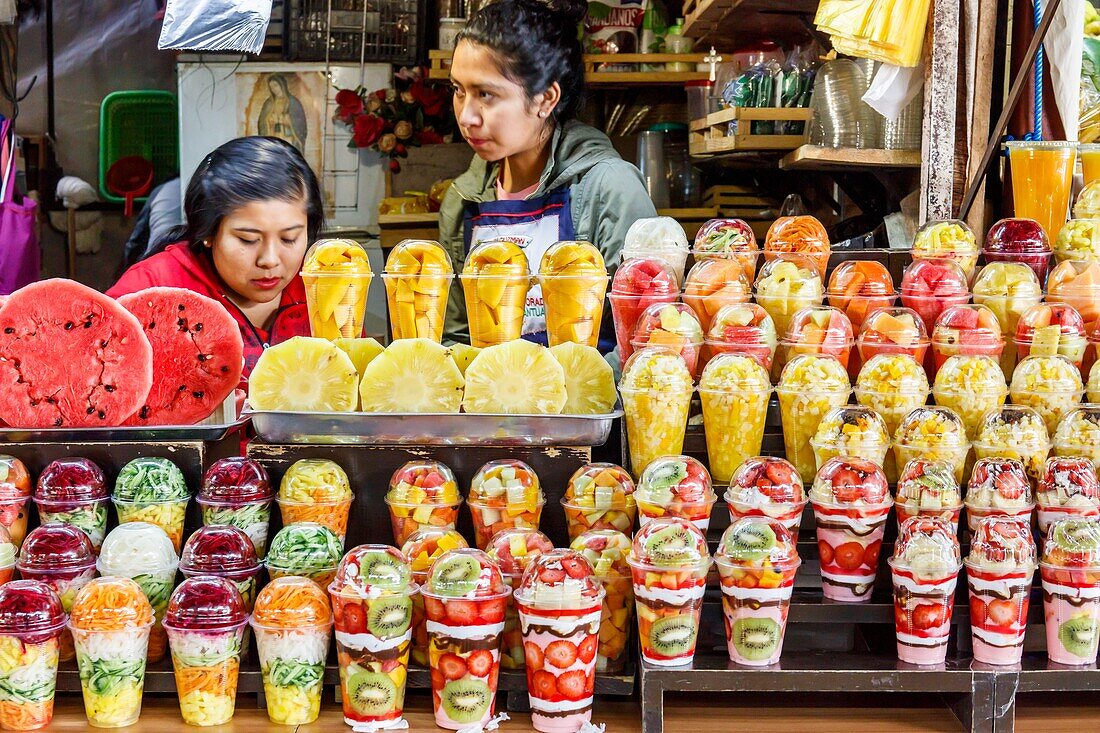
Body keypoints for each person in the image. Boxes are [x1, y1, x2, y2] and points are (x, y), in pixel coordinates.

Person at [439, 0, 657, 347]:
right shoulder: (462, 201)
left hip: (591, 399)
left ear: (545, 99)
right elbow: (455, 339)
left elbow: (645, 336)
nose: (466, 116)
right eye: (458, 90)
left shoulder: (611, 189)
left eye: (486, 95)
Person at [108, 136, 322, 377]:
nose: (270, 260)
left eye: (289, 238)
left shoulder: (323, 287)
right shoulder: (151, 286)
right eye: (248, 240)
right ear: (208, 232)